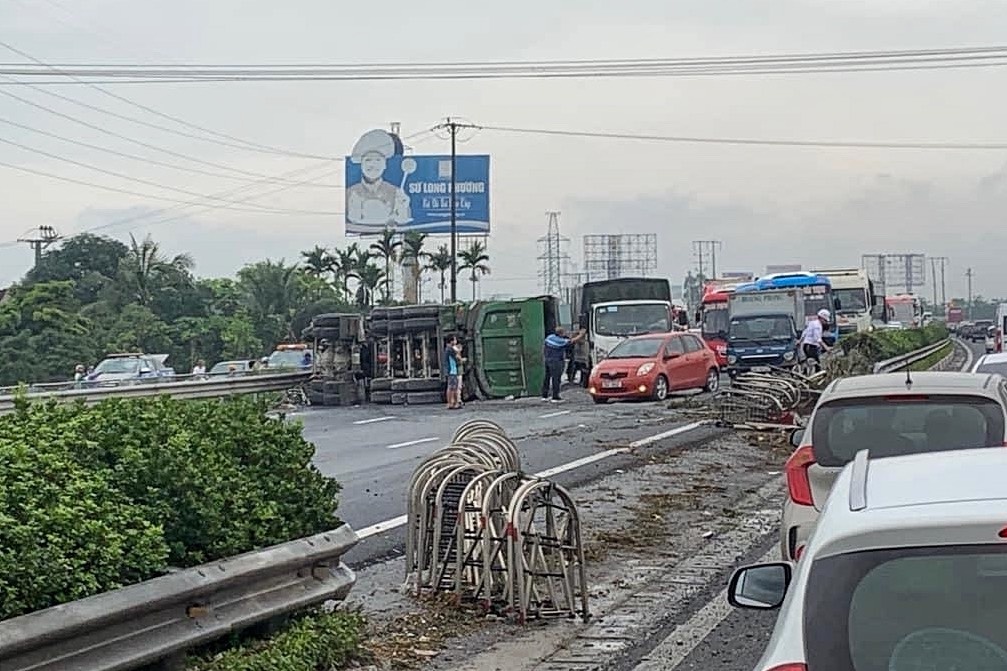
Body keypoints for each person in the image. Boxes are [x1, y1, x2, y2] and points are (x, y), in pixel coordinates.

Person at [345, 129, 412, 229]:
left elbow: (405, 221)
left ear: (385, 164)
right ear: (361, 164)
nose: (373, 165)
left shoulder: (396, 192)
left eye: (377, 160)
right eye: (368, 160)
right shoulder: (351, 192)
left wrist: (403, 207)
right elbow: (350, 221)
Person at [542, 327, 586, 402]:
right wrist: (581, 335)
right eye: (564, 333)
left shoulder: (549, 337)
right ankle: (555, 397)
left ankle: (544, 395)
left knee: (547, 378)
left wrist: (575, 334)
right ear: (561, 334)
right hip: (556, 361)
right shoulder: (560, 341)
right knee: (556, 379)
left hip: (547, 360)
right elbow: (572, 341)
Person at [443, 336, 462, 410]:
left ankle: (451, 403)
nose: (455, 341)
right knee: (453, 387)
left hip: (450, 370)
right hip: (452, 370)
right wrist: (459, 351)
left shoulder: (447, 349)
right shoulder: (450, 349)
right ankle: (453, 403)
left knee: (450, 387)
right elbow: (458, 358)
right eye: (454, 340)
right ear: (451, 341)